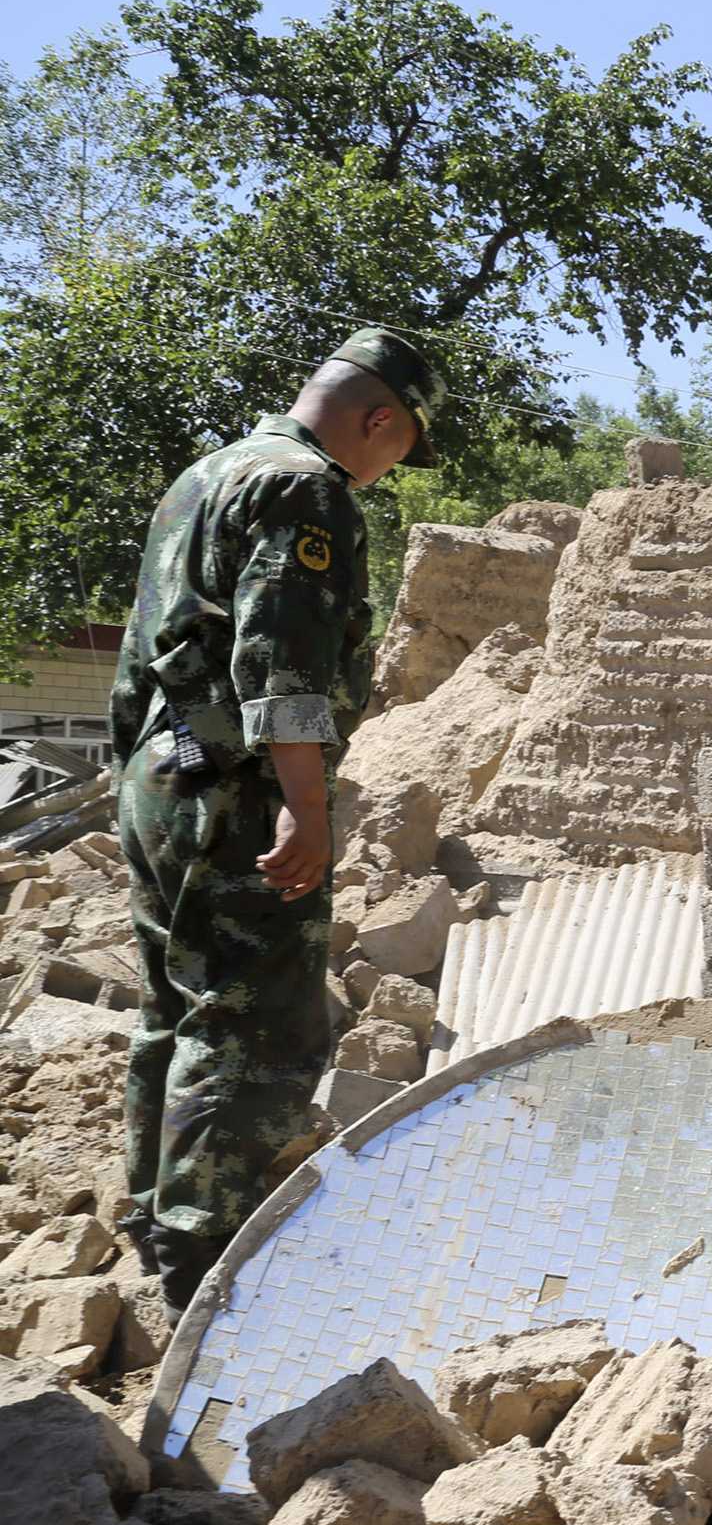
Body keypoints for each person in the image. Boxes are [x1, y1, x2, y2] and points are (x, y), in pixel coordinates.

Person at [112, 326, 443, 1304]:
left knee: (177, 1009)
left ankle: (154, 1221)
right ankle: (206, 1275)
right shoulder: (308, 490)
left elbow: (147, 650)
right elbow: (281, 657)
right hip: (238, 792)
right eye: (400, 448)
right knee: (258, 1033)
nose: (390, 471)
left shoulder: (205, 475)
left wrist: (147, 778)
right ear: (378, 417)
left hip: (160, 775)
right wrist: (305, 803)